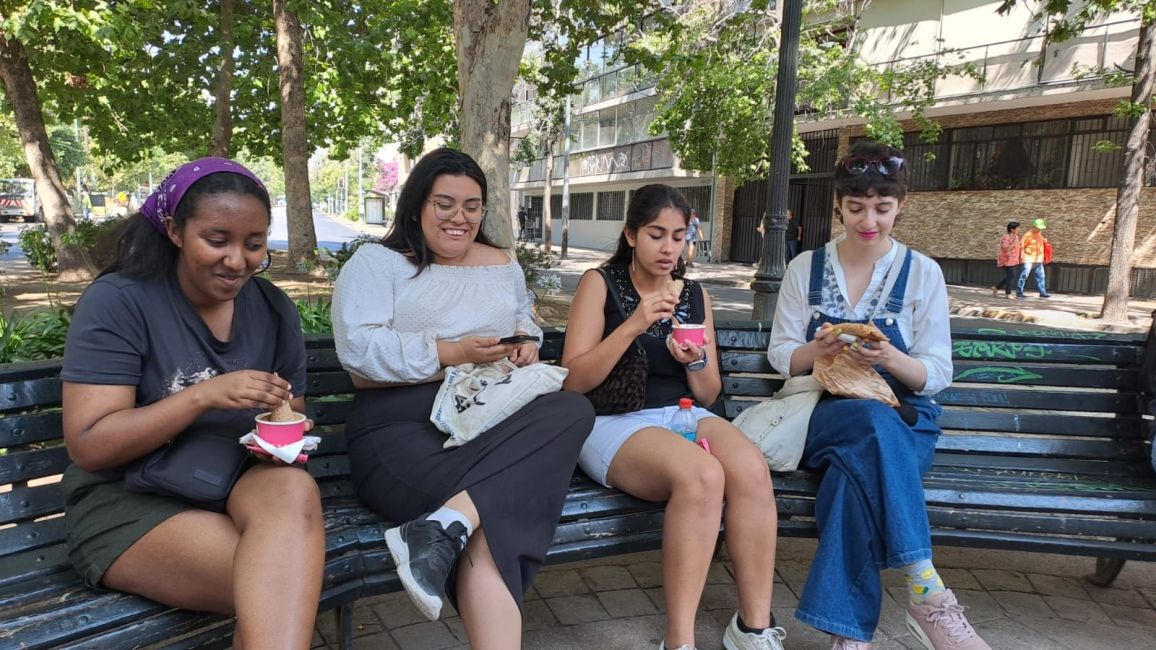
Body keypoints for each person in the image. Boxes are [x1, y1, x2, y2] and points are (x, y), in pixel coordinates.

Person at [331, 148, 595, 648]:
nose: (460, 218)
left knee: (570, 407)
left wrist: (526, 345)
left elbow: (525, 322)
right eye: (444, 204)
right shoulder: (377, 263)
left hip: (489, 419)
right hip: (400, 430)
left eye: (472, 206)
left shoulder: (502, 264)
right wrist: (451, 352)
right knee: (503, 508)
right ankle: (452, 521)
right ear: (415, 206)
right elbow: (359, 354)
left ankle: (444, 524)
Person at [60, 158, 324, 649]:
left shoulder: (272, 308)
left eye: (254, 244)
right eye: (217, 240)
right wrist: (203, 396)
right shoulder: (120, 301)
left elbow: (287, 424)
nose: (237, 261)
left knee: (292, 492)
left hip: (234, 483)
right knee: (280, 588)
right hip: (131, 501)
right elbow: (90, 446)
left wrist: (283, 435)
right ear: (175, 230)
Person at [767, 141, 989, 650]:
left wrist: (888, 359)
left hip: (906, 415)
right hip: (825, 411)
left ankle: (849, 637)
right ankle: (927, 592)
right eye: (856, 207)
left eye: (882, 208)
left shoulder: (923, 273)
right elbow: (782, 355)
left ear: (900, 206)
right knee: (866, 422)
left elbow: (936, 372)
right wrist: (815, 351)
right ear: (839, 206)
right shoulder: (805, 267)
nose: (869, 220)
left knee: (852, 479)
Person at [561, 184, 786, 650]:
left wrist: (694, 361)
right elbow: (574, 381)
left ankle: (754, 629)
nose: (668, 248)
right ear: (630, 235)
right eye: (655, 235)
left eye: (678, 236)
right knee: (703, 476)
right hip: (613, 421)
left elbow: (708, 391)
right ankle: (679, 642)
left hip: (681, 413)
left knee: (751, 470)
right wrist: (634, 325)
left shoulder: (694, 295)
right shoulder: (600, 284)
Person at [1017, 218, 1051, 299]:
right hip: (1028, 259)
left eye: (1041, 228)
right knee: (1024, 276)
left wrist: (1045, 242)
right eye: (1039, 228)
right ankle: (1019, 292)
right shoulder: (1027, 235)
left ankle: (1042, 293)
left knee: (1041, 277)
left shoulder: (1040, 234)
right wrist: (1021, 256)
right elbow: (1021, 246)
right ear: (1034, 226)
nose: (1040, 229)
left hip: (1038, 259)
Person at [993, 221, 1021, 299]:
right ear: (1012, 229)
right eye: (1018, 228)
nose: (1019, 229)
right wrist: (1014, 243)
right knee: (1011, 276)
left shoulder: (1016, 237)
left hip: (1014, 259)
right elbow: (1006, 249)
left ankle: (996, 287)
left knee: (1010, 276)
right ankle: (1008, 293)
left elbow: (1018, 247)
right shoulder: (1005, 237)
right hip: (1006, 260)